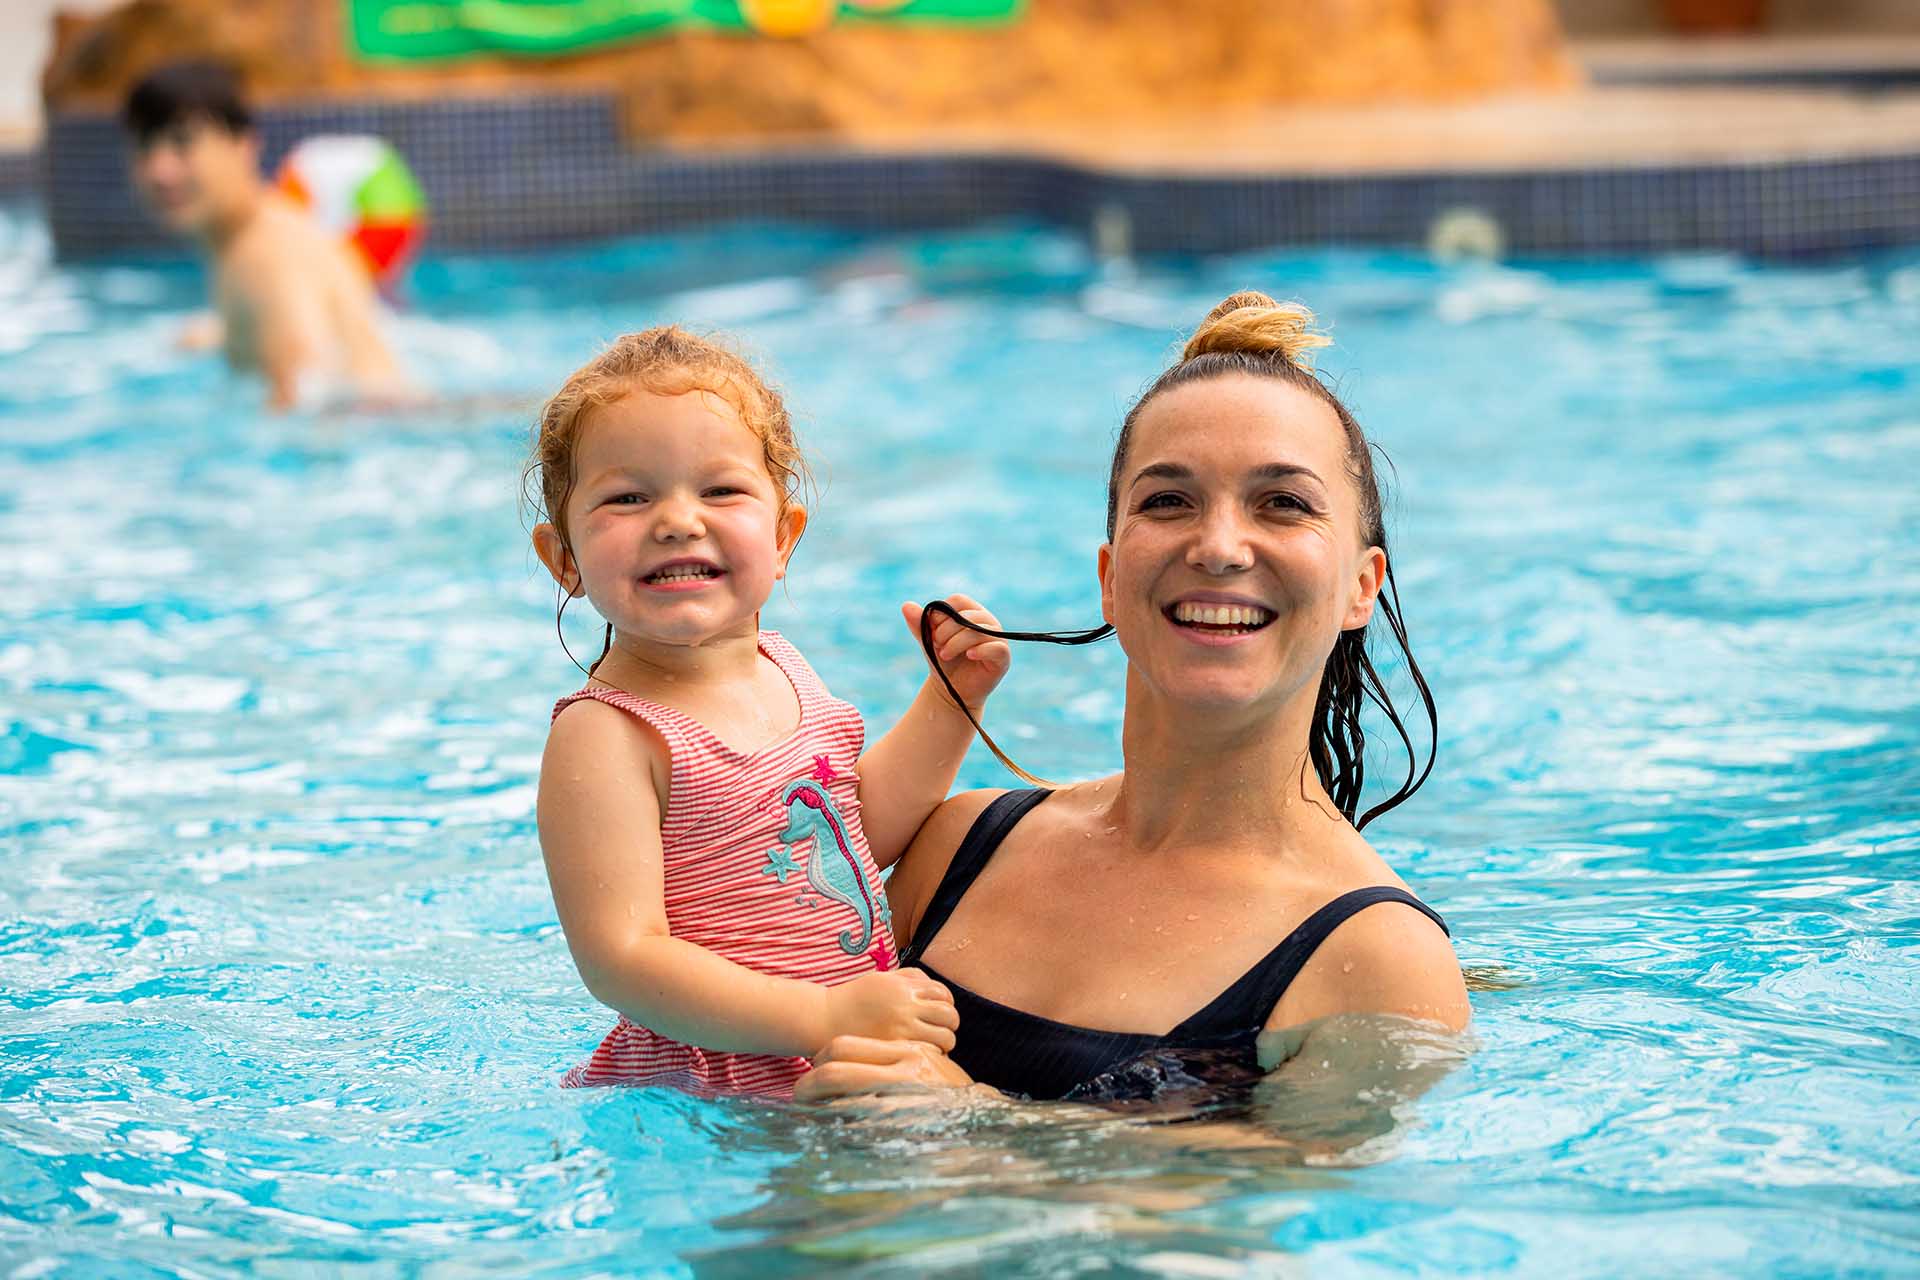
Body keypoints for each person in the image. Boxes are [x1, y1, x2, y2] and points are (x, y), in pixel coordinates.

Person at [795, 291, 1471, 1104]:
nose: (1219, 548)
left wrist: (977, 1126)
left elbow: (1258, 1212)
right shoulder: (958, 852)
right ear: (1111, 579)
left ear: (1361, 588)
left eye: (1283, 504)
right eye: (1168, 501)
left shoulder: (1377, 963)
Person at [526, 326, 1011, 1099]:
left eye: (720, 490)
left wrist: (953, 700)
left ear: (784, 538)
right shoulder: (607, 735)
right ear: (565, 560)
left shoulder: (784, 670)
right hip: (712, 1092)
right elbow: (622, 957)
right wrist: (820, 1014)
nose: (678, 519)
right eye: (628, 496)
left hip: (836, 1050)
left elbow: (855, 834)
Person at [122, 61, 408, 411]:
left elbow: (310, 390)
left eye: (183, 144)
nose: (160, 171)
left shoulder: (265, 258)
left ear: (243, 145)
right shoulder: (257, 239)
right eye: (144, 147)